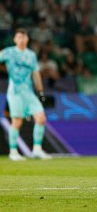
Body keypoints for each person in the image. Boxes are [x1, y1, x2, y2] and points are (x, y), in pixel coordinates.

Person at [0, 28, 52, 161]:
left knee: (41, 118)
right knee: (17, 121)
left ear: (27, 39)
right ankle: (13, 152)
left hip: (28, 92)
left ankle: (37, 149)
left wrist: (41, 92)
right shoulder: (9, 52)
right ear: (14, 39)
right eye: (19, 37)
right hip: (15, 92)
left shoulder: (31, 55)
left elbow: (36, 74)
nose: (21, 39)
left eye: (24, 37)